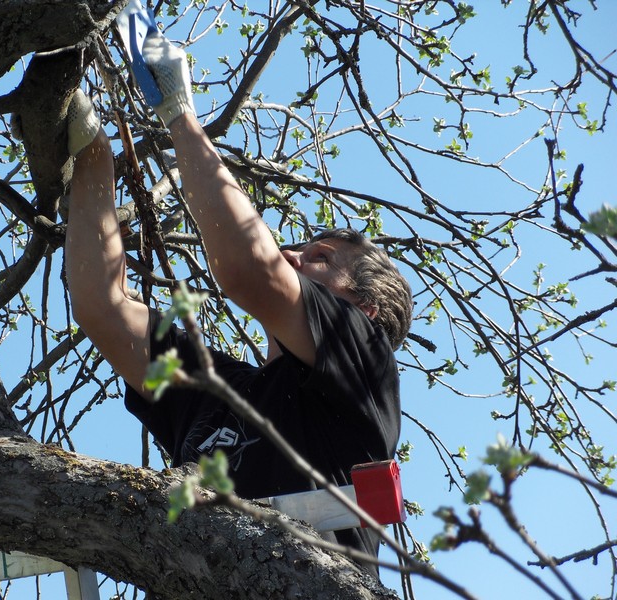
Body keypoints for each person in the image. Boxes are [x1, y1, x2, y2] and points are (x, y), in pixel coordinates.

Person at [64, 30, 412, 576]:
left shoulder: (365, 366)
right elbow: (101, 306)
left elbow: (250, 270)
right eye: (297, 248)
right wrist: (90, 155)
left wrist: (181, 116)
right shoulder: (214, 394)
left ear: (362, 311)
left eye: (320, 258)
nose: (294, 257)